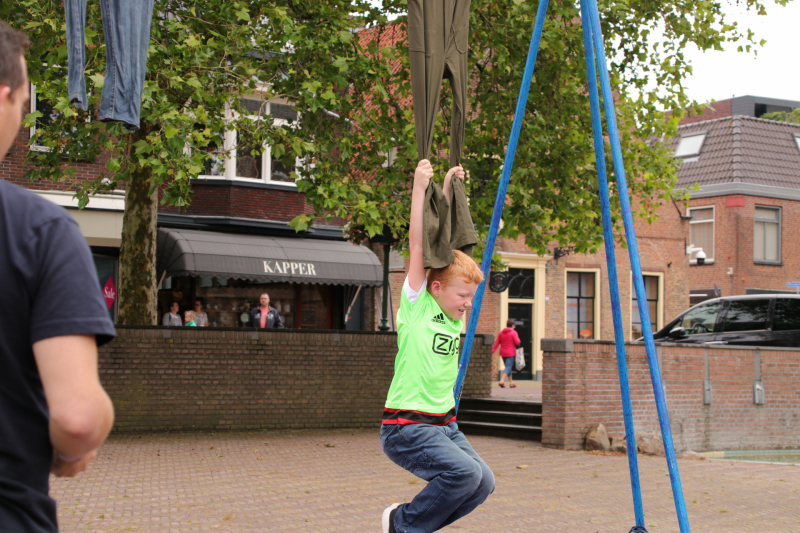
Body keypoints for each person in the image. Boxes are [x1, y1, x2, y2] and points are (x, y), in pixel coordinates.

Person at [0, 22, 116, 532]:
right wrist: (73, 447)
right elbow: (77, 418)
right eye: (27, 103)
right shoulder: (38, 230)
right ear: (6, 96)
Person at [381, 160, 494, 533]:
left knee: (482, 482)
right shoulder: (417, 306)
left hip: (444, 424)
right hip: (406, 425)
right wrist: (419, 189)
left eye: (472, 297)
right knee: (462, 473)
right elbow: (421, 243)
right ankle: (402, 525)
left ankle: (410, 525)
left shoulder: (454, 316)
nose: (467, 303)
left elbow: (445, 240)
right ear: (435, 288)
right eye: (463, 295)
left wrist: (448, 187)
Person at [492, 319, 521, 388]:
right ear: (513, 325)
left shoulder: (501, 333)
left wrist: (492, 350)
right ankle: (501, 381)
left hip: (503, 353)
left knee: (508, 367)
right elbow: (517, 342)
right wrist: (519, 340)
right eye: (514, 326)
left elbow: (497, 343)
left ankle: (511, 383)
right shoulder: (514, 333)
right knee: (508, 367)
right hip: (511, 353)